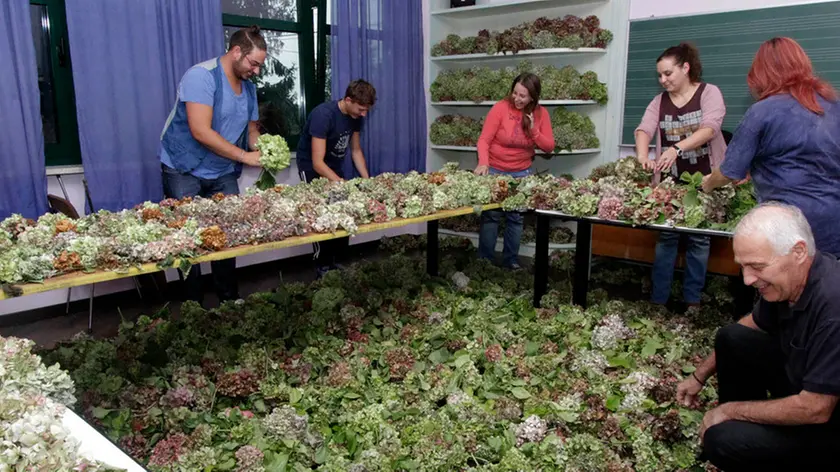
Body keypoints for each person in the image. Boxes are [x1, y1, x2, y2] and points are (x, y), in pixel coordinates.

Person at [675, 202, 840, 470]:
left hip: (827, 421)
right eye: (743, 266)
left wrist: (729, 411)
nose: (747, 279)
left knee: (723, 440)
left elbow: (816, 409)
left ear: (798, 252)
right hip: (805, 383)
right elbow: (749, 325)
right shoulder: (789, 282)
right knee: (732, 337)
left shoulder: (833, 307)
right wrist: (698, 376)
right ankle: (746, 428)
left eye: (757, 266)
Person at [702, 37, 840, 257]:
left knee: (785, 289)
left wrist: (708, 184)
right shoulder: (834, 106)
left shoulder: (762, 111)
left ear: (762, 74)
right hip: (834, 229)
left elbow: (729, 172)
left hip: (788, 231)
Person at [157, 26, 265, 305]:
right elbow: (200, 131)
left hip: (222, 171)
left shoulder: (249, 89)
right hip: (184, 168)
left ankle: (229, 300)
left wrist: (263, 150)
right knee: (188, 242)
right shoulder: (201, 77)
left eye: (259, 66)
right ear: (236, 51)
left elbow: (252, 131)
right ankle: (194, 308)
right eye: (253, 63)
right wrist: (244, 156)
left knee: (227, 236)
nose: (256, 71)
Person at [633, 42, 727, 309]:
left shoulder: (710, 93)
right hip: (671, 184)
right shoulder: (659, 101)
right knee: (667, 239)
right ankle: (658, 302)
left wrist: (677, 147)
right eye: (659, 75)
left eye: (668, 74)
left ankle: (692, 303)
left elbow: (710, 128)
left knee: (699, 239)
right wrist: (642, 156)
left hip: (706, 182)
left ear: (685, 68)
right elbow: (644, 129)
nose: (663, 80)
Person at [296, 79, 376, 277]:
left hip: (333, 166)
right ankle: (321, 266)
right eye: (361, 109)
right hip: (312, 167)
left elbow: (356, 151)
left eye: (366, 110)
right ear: (348, 100)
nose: (364, 114)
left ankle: (335, 263)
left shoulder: (356, 116)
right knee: (321, 216)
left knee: (342, 213)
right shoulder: (323, 115)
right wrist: (341, 183)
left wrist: (367, 181)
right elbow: (317, 162)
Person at [475, 73, 554, 270]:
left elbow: (549, 147)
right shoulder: (500, 108)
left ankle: (511, 261)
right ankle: (484, 261)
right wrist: (483, 163)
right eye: (515, 93)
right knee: (491, 216)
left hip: (521, 172)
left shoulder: (541, 113)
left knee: (515, 218)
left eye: (523, 96)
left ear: (533, 97)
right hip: (494, 169)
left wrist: (534, 130)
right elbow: (484, 139)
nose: (517, 99)